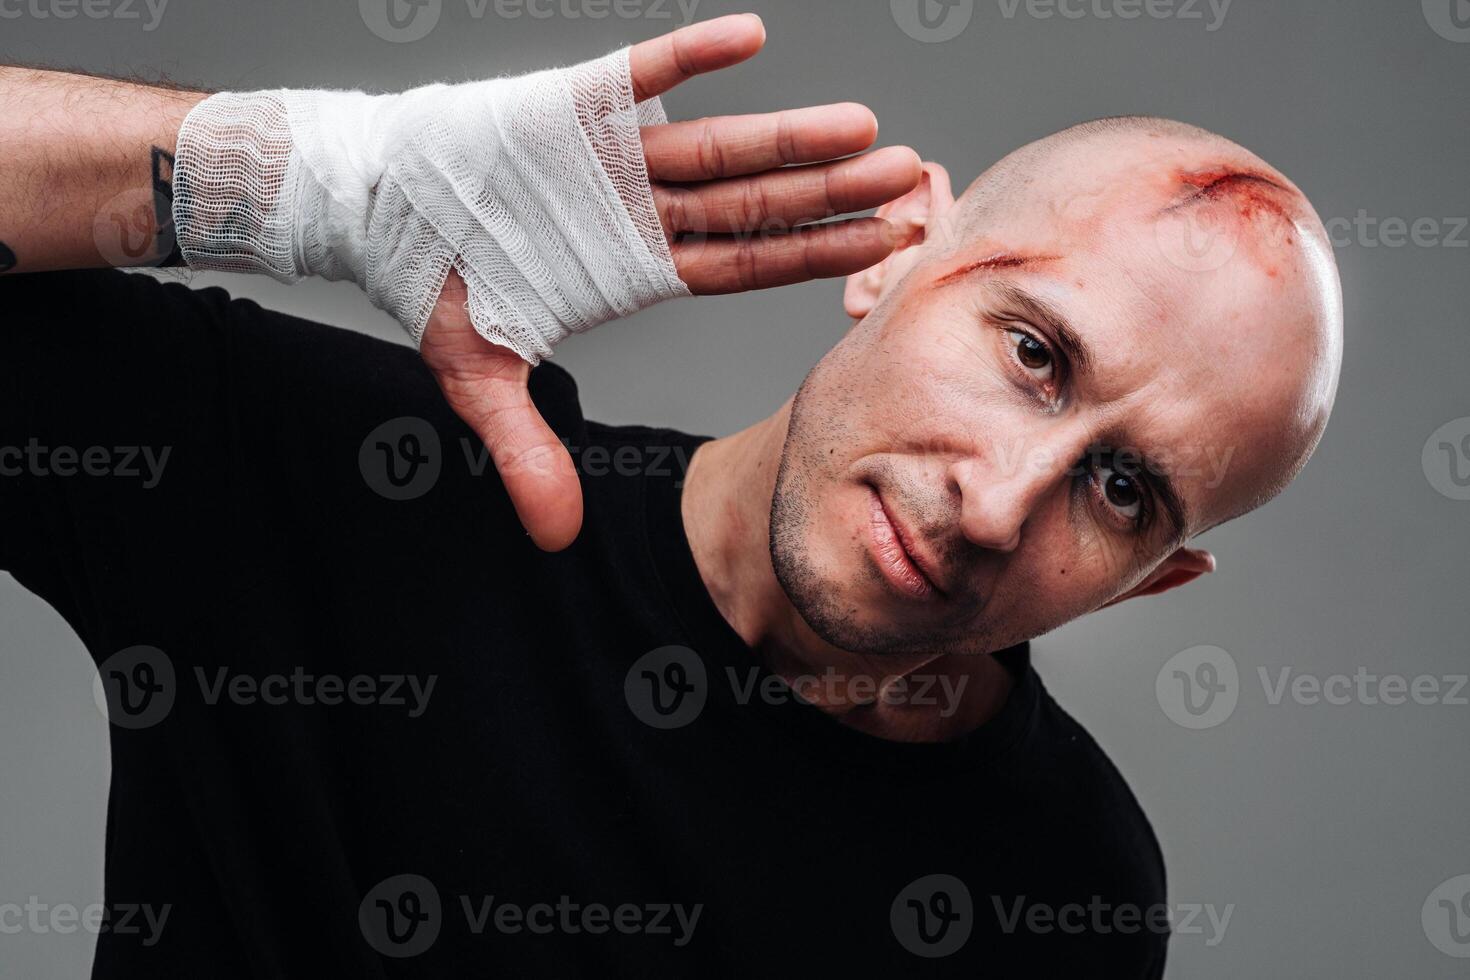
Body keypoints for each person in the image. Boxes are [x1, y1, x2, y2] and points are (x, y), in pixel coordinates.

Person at [0, 13, 1341, 978]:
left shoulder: (1070, 895)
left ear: (1151, 579)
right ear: (897, 255)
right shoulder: (353, 486)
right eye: (1033, 355)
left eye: (1120, 493)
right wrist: (308, 179)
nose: (994, 507)